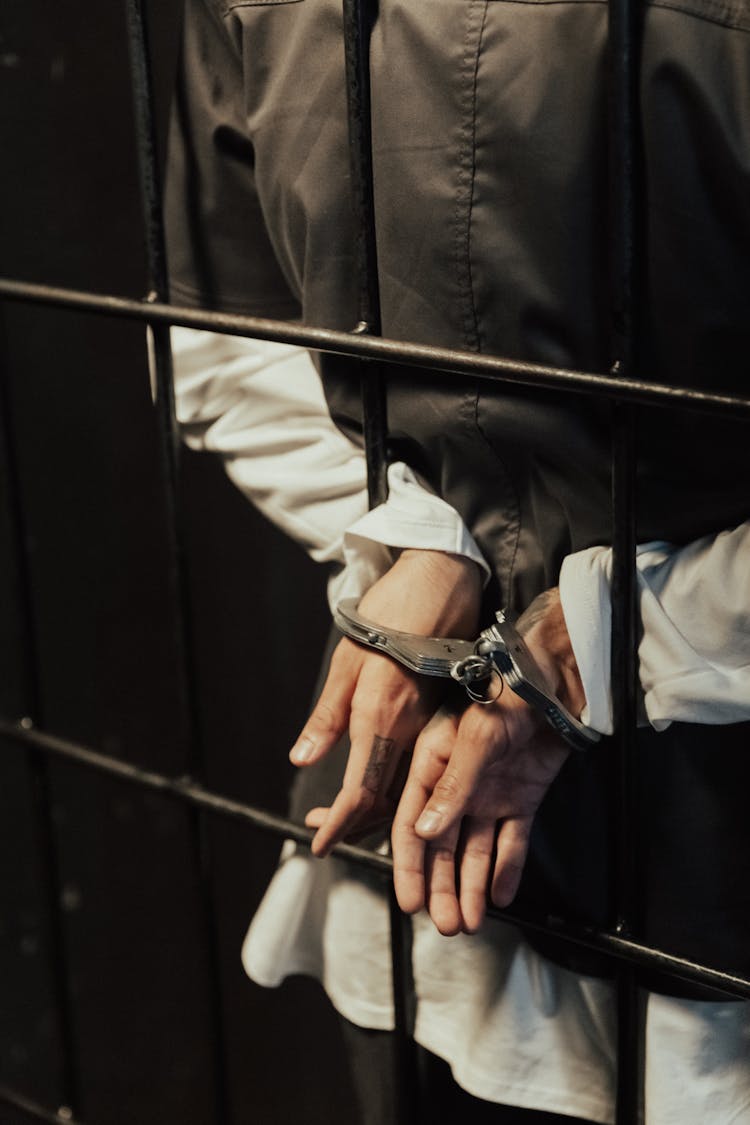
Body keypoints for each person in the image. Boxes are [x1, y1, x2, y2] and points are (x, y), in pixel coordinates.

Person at [164, 0, 750, 1120]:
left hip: (630, 879)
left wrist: (572, 642)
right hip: (439, 875)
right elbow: (225, 331)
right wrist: (430, 536)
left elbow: (212, 335)